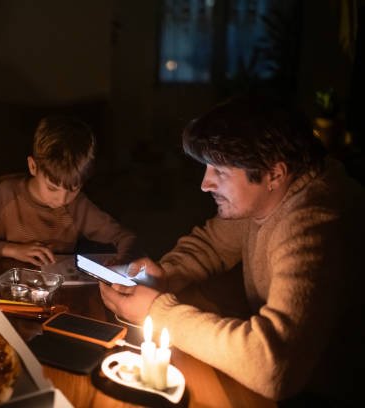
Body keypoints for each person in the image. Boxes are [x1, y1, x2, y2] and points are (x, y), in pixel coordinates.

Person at [100, 93, 364, 406]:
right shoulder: (271, 192)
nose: (205, 184)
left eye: (221, 172)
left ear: (273, 174)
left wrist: (158, 311)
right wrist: (166, 275)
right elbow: (212, 243)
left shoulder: (314, 223)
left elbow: (273, 366)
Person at [0, 115, 141, 266]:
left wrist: (125, 260)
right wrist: (11, 249)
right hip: (5, 284)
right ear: (33, 166)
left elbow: (124, 237)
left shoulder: (78, 206)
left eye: (73, 189)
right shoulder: (6, 194)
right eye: (52, 188)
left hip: (58, 287)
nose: (62, 200)